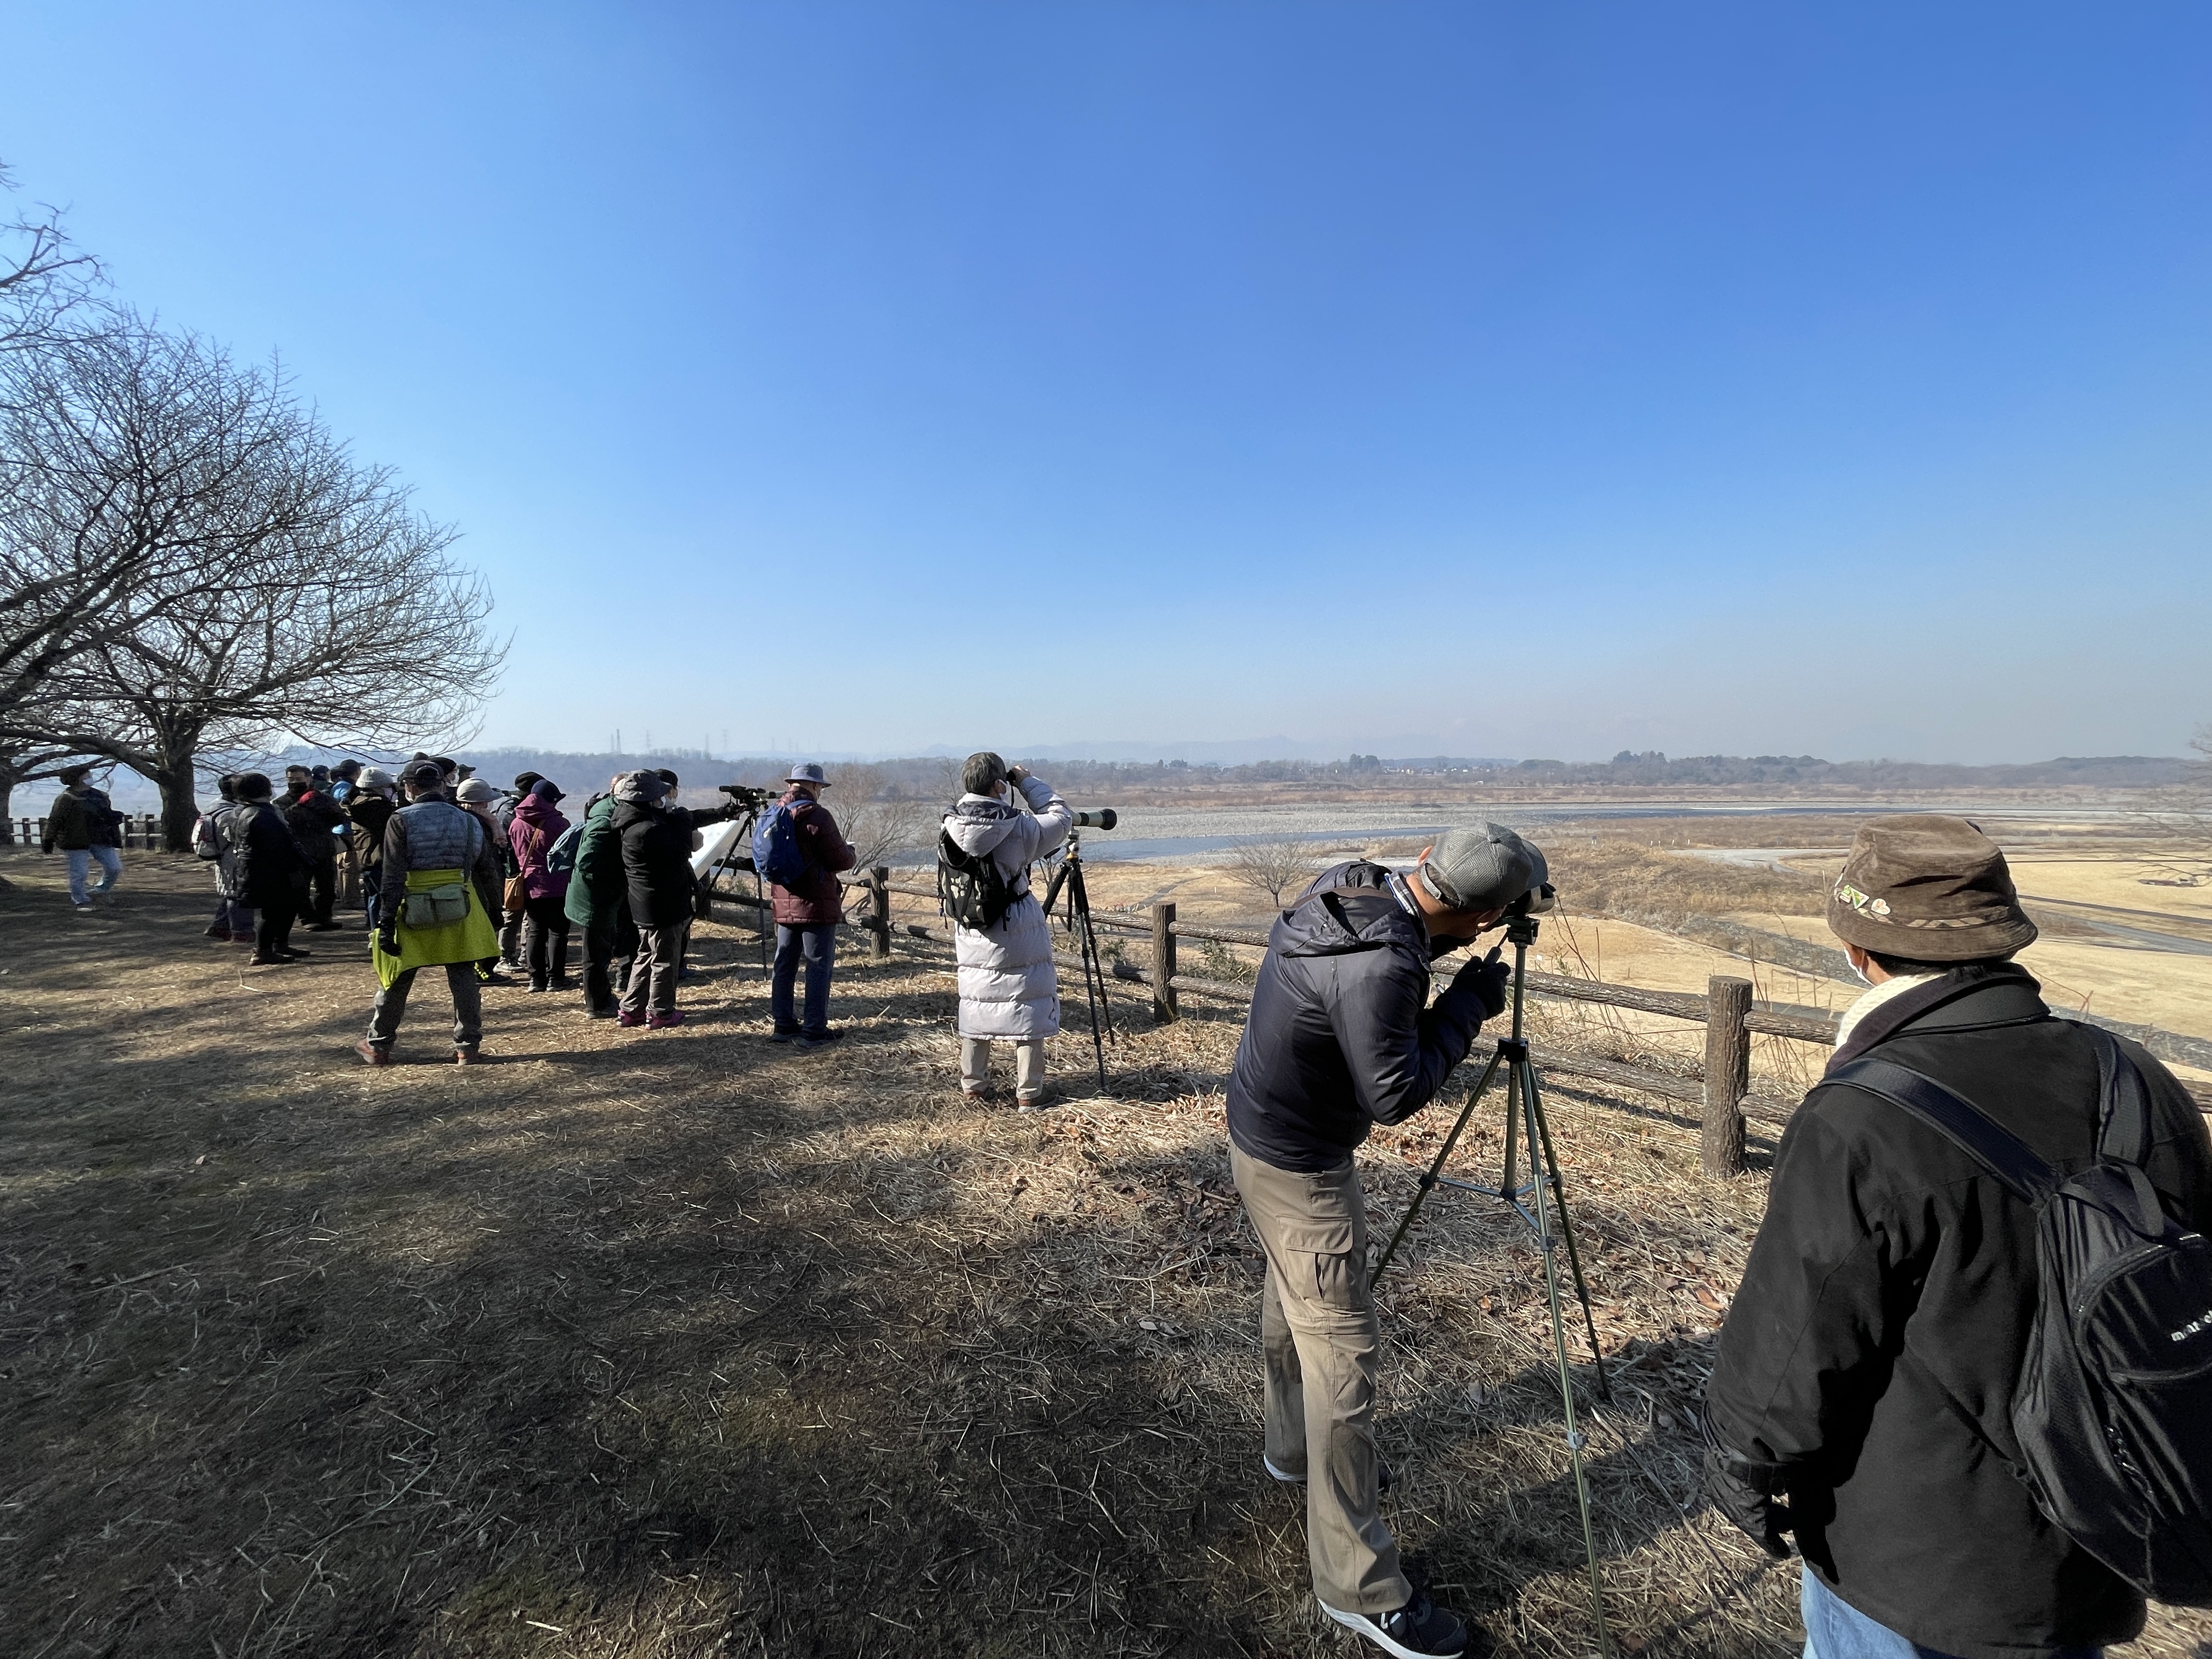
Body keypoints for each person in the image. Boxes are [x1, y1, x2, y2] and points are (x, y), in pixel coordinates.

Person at [1702, 816, 2212, 1659]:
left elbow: (1797, 1336)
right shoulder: (2134, 1078)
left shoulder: (1862, 1117)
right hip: (2106, 1522)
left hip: (1914, 1557)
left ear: (1858, 950)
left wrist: (1741, 1459)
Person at [1224, 826, 1528, 1659]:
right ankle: (1358, 1584)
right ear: (1486, 912)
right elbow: (1394, 1094)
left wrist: (1446, 953)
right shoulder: (1388, 964)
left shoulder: (1351, 888)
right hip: (1304, 1167)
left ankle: (1292, 1450)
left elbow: (1371, 980)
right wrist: (1468, 1001)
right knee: (1345, 1357)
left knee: (1293, 1310)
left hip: (1258, 1133)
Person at [942, 752, 1074, 1106]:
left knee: (977, 1001)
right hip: (1016, 922)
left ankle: (974, 1085)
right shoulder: (1018, 825)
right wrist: (1027, 782)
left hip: (971, 925)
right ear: (1000, 785)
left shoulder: (950, 824)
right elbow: (1062, 818)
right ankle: (1030, 1092)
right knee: (1026, 1002)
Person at [358, 760, 503, 1065]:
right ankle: (467, 1048)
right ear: (441, 785)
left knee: (397, 976)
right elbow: (487, 868)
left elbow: (392, 875)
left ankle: (379, 1046)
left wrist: (385, 922)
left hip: (412, 905)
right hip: (461, 904)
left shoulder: (400, 819)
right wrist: (495, 909)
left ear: (409, 787)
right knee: (463, 975)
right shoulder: (468, 820)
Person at [768, 762, 856, 1046]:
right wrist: (850, 852)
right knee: (818, 965)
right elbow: (840, 860)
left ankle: (783, 1025)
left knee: (784, 963)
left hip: (783, 901)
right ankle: (814, 1030)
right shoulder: (817, 816)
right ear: (816, 787)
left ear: (790, 785)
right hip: (815, 902)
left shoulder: (774, 813)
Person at [612, 770, 703, 1028]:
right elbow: (682, 852)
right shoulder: (649, 830)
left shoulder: (630, 821)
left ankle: (631, 1009)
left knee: (644, 955)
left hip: (643, 903)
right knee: (665, 959)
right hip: (664, 903)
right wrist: (682, 820)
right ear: (649, 799)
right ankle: (661, 1012)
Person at [564, 777, 633, 1019]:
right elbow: (587, 862)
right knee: (595, 956)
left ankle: (601, 998)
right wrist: (622, 871)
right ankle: (598, 1004)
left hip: (597, 897)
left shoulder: (606, 814)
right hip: (594, 900)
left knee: (599, 952)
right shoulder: (605, 824)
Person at [232, 771, 311, 963]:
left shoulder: (252, 811)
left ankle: (279, 944)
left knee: (286, 907)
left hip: (262, 869)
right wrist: (292, 868)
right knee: (273, 911)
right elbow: (277, 847)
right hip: (268, 871)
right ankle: (263, 950)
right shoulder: (260, 814)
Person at [509, 779, 573, 992]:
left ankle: (536, 979)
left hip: (529, 883)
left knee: (536, 932)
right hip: (557, 883)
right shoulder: (558, 823)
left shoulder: (516, 823)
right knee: (558, 932)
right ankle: (556, 978)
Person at [454, 777, 517, 986]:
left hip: (476, 882)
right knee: (488, 924)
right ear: (481, 803)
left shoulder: (464, 820)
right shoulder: (480, 823)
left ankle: (480, 968)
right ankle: (483, 970)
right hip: (481, 882)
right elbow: (486, 860)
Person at [40, 764, 125, 911]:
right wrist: (48, 839)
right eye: (87, 775)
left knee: (114, 868)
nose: (90, 777)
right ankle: (80, 900)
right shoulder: (66, 799)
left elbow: (106, 814)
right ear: (78, 779)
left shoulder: (100, 796)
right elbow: (55, 820)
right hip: (75, 840)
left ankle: (100, 890)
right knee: (79, 873)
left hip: (101, 838)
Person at [278, 765, 347, 931]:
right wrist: (300, 806)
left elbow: (340, 818)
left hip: (324, 847)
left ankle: (325, 917)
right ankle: (307, 918)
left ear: (308, 778)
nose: (294, 782)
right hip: (300, 850)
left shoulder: (321, 797)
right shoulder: (282, 802)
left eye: (298, 779)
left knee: (327, 888)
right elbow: (284, 822)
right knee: (301, 889)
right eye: (291, 779)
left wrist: (325, 809)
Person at [191, 774, 253, 943]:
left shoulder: (214, 808)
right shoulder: (230, 814)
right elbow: (237, 838)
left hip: (223, 857)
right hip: (233, 857)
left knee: (231, 892)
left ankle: (220, 927)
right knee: (239, 894)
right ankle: (242, 931)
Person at [493, 771, 543, 972]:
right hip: (513, 869)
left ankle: (524, 956)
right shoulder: (511, 811)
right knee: (513, 913)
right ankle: (505, 957)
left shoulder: (511, 808)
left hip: (519, 867)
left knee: (523, 915)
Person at [346, 768, 399, 929]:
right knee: (380, 898)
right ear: (378, 787)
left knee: (372, 896)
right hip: (379, 857)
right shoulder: (376, 807)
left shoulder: (357, 803)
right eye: (390, 786)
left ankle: (372, 927)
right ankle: (377, 931)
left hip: (367, 857)